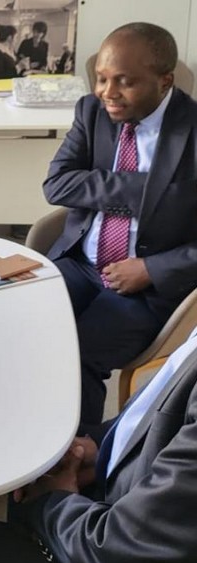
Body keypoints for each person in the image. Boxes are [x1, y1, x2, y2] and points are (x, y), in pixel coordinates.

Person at [0, 324, 197, 563]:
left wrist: (53, 499)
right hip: (139, 511)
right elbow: (162, 420)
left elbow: (129, 555)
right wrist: (97, 451)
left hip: (120, 555)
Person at [42, 22, 197, 434]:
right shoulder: (92, 112)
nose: (108, 93)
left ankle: (75, 457)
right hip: (80, 261)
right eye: (102, 79)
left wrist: (151, 268)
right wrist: (146, 190)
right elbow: (56, 184)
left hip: (149, 286)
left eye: (124, 82)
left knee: (79, 351)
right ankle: (26, 428)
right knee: (16, 322)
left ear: (165, 81)